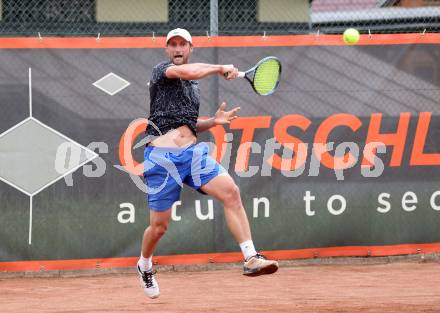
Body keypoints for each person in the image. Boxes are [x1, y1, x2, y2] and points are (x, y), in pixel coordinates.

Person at [137, 28, 278, 299]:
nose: (177, 49)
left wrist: (213, 122)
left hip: (192, 155)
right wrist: (221, 68)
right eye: (173, 45)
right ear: (167, 50)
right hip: (160, 159)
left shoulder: (193, 87)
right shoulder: (162, 71)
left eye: (183, 45)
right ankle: (144, 264)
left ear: (191, 48)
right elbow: (191, 71)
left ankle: (250, 257)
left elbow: (188, 125)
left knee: (231, 192)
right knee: (159, 227)